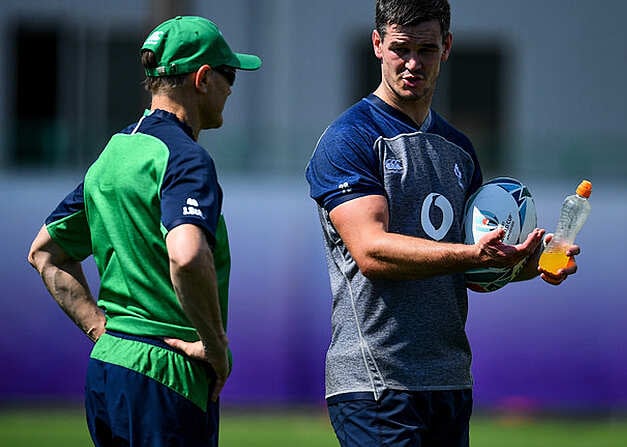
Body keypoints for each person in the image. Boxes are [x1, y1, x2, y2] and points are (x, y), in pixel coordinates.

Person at [305, 0, 580, 445]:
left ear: (446, 47)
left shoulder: (458, 148)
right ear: (378, 45)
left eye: (427, 49)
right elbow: (371, 252)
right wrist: (473, 253)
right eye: (400, 48)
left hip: (449, 379)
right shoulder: (350, 138)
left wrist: (527, 263)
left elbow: (470, 269)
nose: (413, 63)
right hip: (378, 381)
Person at [27, 16, 261, 447]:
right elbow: (187, 255)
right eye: (229, 75)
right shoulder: (186, 158)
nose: (232, 88)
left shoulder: (113, 155)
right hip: (167, 376)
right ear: (204, 78)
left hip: (108, 366)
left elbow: (45, 253)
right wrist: (214, 346)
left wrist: (103, 330)